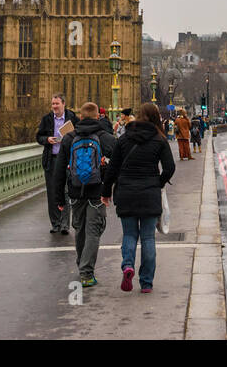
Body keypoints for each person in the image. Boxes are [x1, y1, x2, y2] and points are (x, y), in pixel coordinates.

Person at [102, 102, 175, 294]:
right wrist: (157, 183)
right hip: (149, 192)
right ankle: (147, 282)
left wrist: (105, 192)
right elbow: (170, 168)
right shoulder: (159, 140)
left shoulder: (124, 139)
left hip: (126, 192)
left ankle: (127, 266)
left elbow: (112, 168)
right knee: (148, 237)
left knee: (129, 234)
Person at [51, 101, 117, 287]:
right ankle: (86, 273)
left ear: (80, 117)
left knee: (80, 230)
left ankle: (82, 264)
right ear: (98, 116)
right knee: (93, 231)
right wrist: (111, 189)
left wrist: (59, 197)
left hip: (75, 190)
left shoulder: (69, 138)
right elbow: (117, 167)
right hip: (98, 191)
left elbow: (59, 170)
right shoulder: (107, 138)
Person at [36, 94, 79, 234]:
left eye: (57, 103)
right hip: (52, 159)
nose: (54, 106)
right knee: (52, 192)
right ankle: (55, 223)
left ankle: (65, 224)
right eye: (53, 104)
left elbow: (79, 135)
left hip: (67, 160)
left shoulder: (72, 118)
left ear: (63, 104)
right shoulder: (46, 119)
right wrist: (47, 139)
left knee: (66, 191)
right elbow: (38, 137)